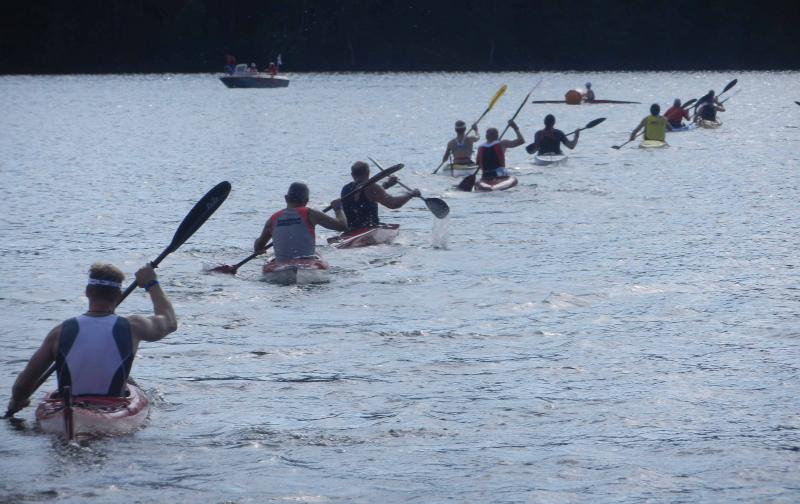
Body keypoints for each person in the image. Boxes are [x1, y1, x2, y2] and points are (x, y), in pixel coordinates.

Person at [5, 264, 177, 416]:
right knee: (130, 382)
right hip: (112, 409)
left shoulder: (59, 331)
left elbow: (23, 385)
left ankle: (69, 421)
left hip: (67, 408)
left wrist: (18, 401)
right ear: (118, 295)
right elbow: (169, 322)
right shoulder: (134, 326)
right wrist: (151, 283)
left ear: (87, 292)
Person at [254, 182, 348, 260]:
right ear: (306, 201)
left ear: (286, 198)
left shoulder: (273, 219)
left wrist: (260, 248)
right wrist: (338, 209)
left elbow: (258, 247)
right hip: (306, 264)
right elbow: (342, 226)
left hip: (281, 266)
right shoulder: (311, 213)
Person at [340, 161, 420, 229]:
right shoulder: (372, 187)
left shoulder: (346, 188)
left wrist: (386, 185)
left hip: (350, 230)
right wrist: (411, 194)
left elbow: (368, 196)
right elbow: (393, 203)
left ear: (352, 174)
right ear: (368, 172)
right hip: (369, 228)